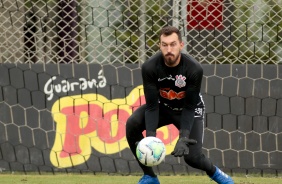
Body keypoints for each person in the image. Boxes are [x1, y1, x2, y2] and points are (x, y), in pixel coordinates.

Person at [126, 26, 234, 184]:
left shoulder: (194, 69)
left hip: (189, 109)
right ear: (160, 46)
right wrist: (150, 138)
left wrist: (183, 136)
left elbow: (190, 107)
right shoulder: (149, 67)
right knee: (132, 124)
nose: (169, 49)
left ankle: (218, 175)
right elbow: (151, 106)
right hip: (164, 107)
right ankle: (150, 177)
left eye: (173, 44)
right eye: (164, 45)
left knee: (192, 158)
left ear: (181, 45)